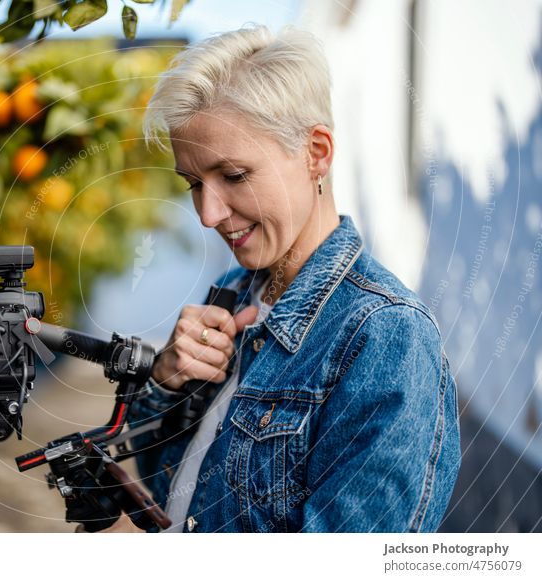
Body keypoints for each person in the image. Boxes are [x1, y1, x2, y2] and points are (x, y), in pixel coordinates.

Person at [103, 25, 460, 533]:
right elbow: (171, 495)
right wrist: (166, 383)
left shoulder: (385, 338)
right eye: (193, 183)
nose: (208, 214)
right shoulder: (232, 289)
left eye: (234, 176)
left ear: (316, 152)